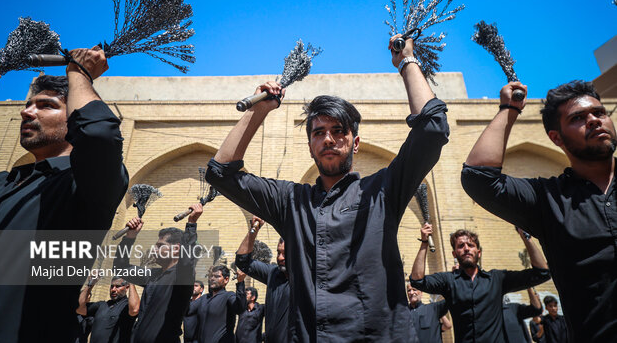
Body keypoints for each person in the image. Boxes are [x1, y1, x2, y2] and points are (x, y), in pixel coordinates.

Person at [206, 35, 449, 341]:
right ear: (310, 145)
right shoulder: (291, 202)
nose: (329, 140)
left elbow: (433, 130)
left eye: (338, 131)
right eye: (318, 132)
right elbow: (220, 173)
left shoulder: (382, 191)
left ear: (355, 142)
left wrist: (406, 62)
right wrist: (259, 111)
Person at [460, 80, 617, 342]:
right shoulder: (548, 200)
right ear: (556, 137)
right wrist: (509, 108)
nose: (593, 120)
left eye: (599, 113)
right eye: (578, 118)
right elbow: (478, 177)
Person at [0, 48, 129, 342]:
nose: (26, 111)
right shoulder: (5, 182)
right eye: (29, 104)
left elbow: (99, 135)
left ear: (74, 119)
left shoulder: (85, 188)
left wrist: (79, 74)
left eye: (45, 105)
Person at [410, 225, 551, 343]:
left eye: (470, 245)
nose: (466, 248)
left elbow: (542, 273)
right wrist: (424, 242)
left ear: (479, 252)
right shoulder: (448, 281)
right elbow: (417, 280)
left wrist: (525, 236)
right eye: (461, 246)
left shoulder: (497, 279)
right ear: (454, 254)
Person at [114, 202, 203, 343]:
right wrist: (129, 238)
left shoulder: (181, 277)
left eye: (160, 246)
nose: (154, 249)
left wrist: (191, 224)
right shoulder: (153, 275)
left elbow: (186, 262)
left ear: (176, 249)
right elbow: (120, 268)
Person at [235, 216, 289, 342]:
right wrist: (255, 230)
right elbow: (242, 261)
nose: (280, 258)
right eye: (278, 253)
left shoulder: (305, 276)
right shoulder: (273, 273)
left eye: (285, 253)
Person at [76, 276, 140, 343]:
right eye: (112, 286)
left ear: (126, 288)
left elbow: (135, 310)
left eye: (117, 286)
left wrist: (131, 282)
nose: (113, 289)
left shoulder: (126, 306)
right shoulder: (101, 305)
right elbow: (79, 308)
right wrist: (91, 283)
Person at [194, 265, 247, 343]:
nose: (212, 278)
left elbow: (240, 308)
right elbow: (186, 310)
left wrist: (240, 282)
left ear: (226, 280)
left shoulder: (228, 296)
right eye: (211, 276)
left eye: (217, 276)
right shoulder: (204, 298)